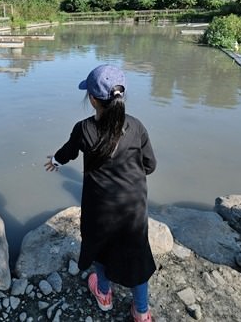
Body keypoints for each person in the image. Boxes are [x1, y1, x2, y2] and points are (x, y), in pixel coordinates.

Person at [44, 64, 157, 322]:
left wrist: (57, 161)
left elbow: (68, 151)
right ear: (121, 95)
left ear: (93, 100)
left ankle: (104, 294)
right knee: (136, 255)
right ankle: (141, 312)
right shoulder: (137, 127)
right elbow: (150, 165)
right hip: (133, 209)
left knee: (99, 249)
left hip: (99, 209)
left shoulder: (83, 129)